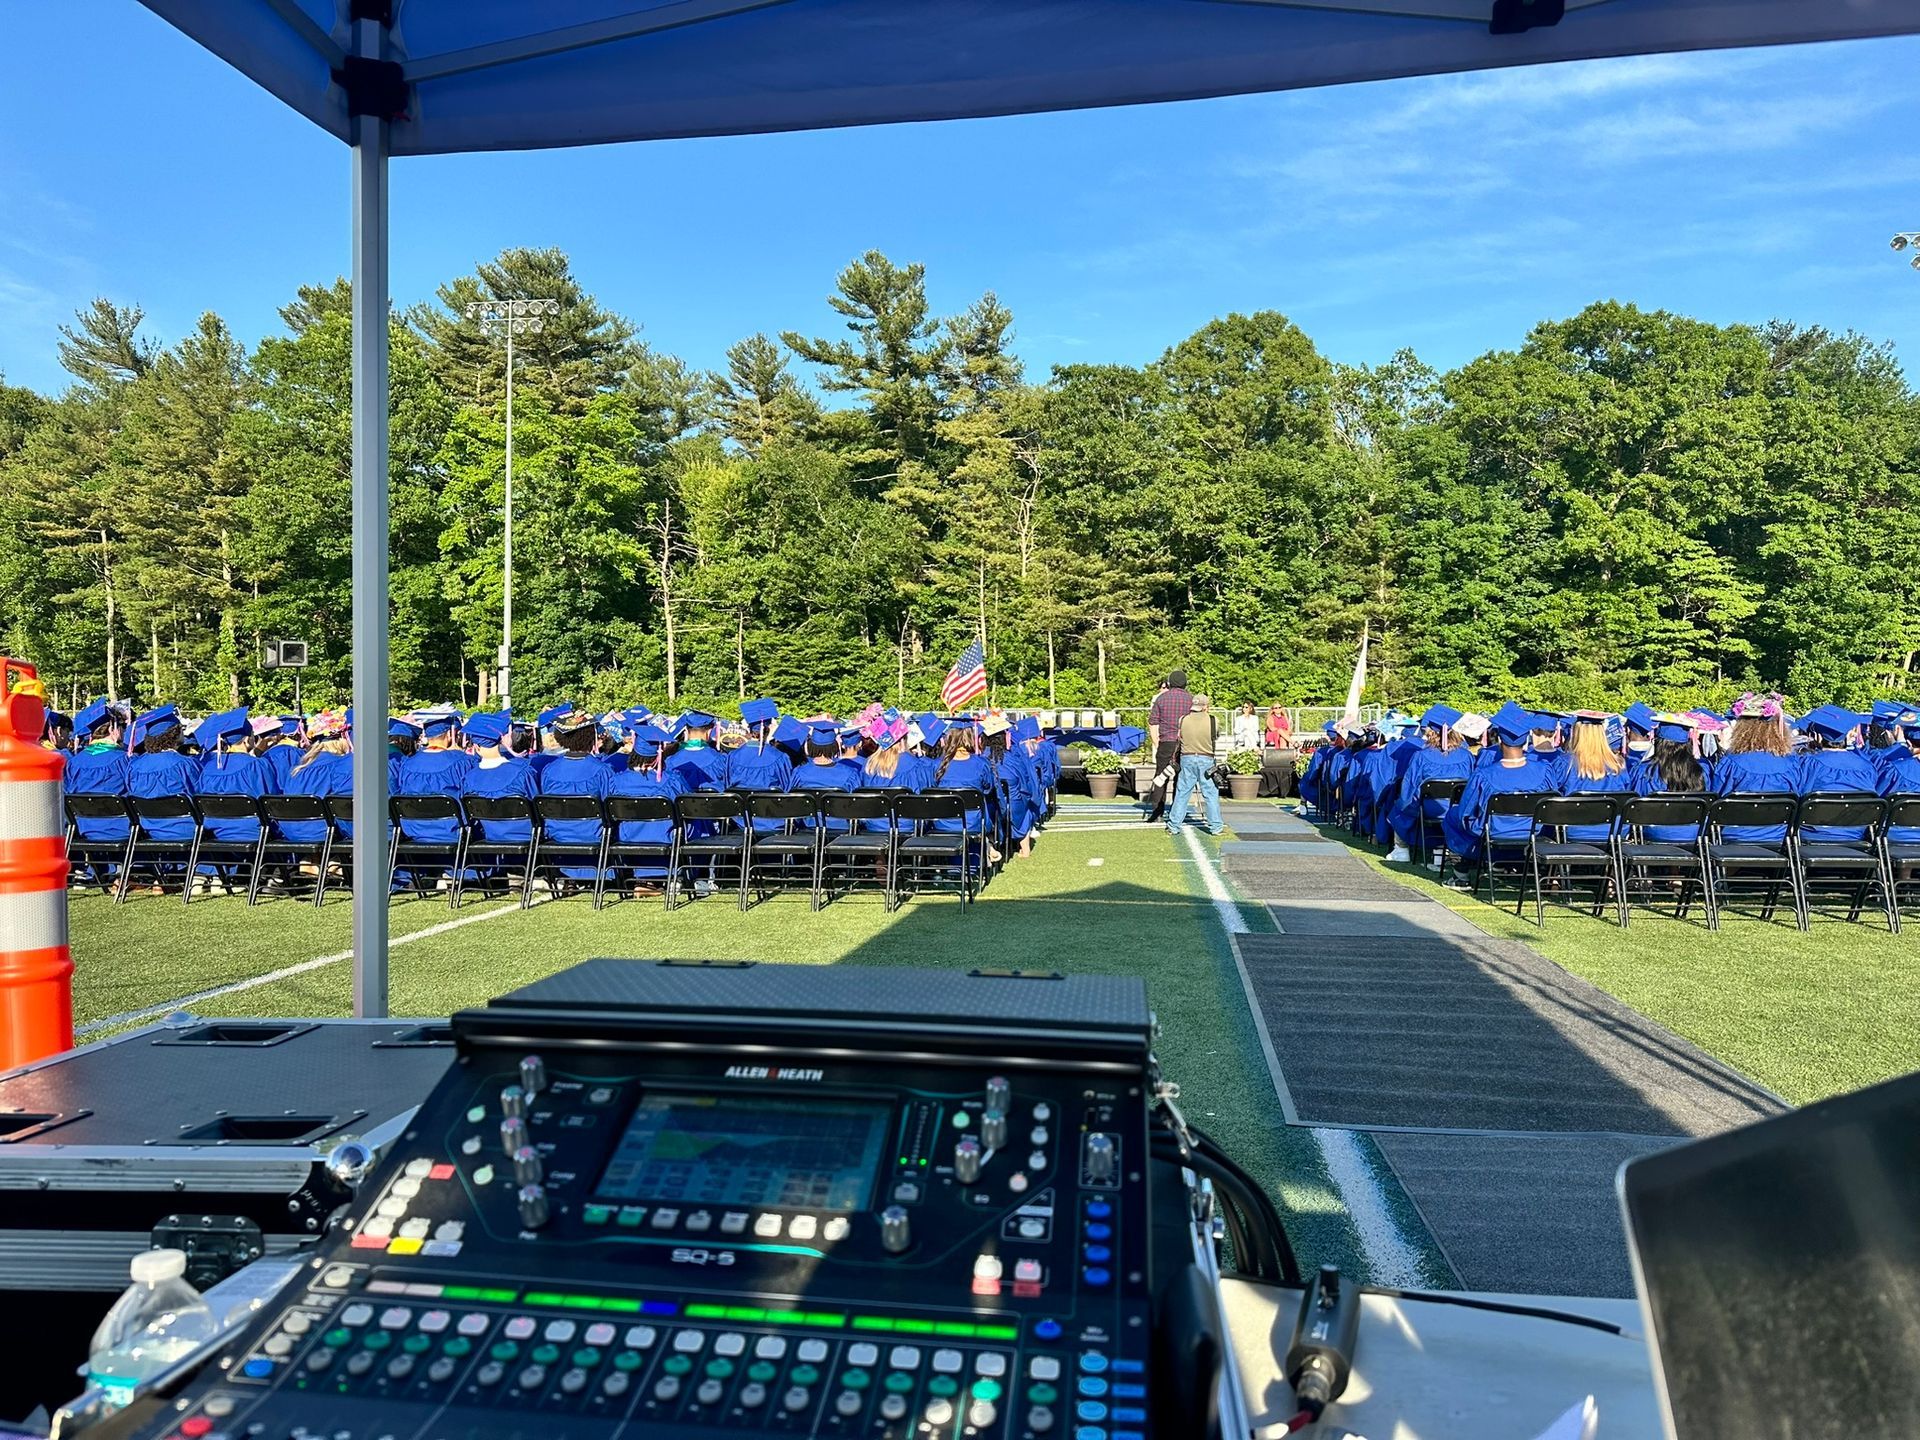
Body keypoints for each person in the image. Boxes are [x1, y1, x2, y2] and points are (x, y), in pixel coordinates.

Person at [1437, 709, 1552, 869]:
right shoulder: (1544, 771)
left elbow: (1465, 813)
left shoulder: (1484, 775)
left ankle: (1462, 870)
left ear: (1499, 739)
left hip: (1494, 834)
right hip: (1533, 833)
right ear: (1526, 739)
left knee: (1453, 815)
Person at [607, 722, 686, 896]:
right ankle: (675, 877)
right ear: (659, 755)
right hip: (665, 838)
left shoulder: (617, 781)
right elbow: (687, 807)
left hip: (627, 838)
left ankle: (644, 880)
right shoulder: (671, 780)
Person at [1710, 693, 1800, 843]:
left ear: (1742, 729)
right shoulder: (1791, 764)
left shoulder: (1731, 763)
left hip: (1736, 834)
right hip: (1779, 834)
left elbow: (1716, 799)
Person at [537, 713, 614, 885]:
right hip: (592, 834)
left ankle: (567, 878)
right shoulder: (602, 770)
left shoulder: (549, 770)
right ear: (590, 736)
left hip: (558, 834)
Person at [1386, 706, 1470, 862]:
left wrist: (1403, 803)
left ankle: (1401, 850)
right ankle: (1440, 853)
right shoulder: (1467, 756)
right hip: (1457, 808)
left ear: (1431, 731)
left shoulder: (1421, 756)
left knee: (1398, 808)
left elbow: (1409, 787)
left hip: (1428, 808)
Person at [194, 707, 277, 851]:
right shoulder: (256, 765)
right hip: (253, 832)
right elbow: (271, 800)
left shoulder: (210, 767)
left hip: (215, 831)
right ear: (246, 740)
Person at [1794, 705, 1880, 842]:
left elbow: (1798, 795)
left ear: (1818, 736)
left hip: (1812, 834)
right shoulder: (1866, 766)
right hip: (1855, 834)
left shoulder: (1809, 763)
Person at [65, 699, 134, 861]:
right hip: (120, 828)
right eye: (122, 727)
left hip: (84, 827)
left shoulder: (74, 762)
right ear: (112, 728)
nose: (124, 732)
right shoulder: (123, 760)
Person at [126, 706, 200, 843]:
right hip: (185, 831)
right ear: (175, 733)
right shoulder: (184, 764)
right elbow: (198, 796)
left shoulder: (134, 766)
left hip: (147, 830)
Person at [1632, 714, 1709, 844]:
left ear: (1658, 742)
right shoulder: (1701, 770)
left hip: (1655, 832)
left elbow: (1634, 807)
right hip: (1694, 832)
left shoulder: (1645, 771)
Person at [1557, 711, 1634, 841]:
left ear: (1577, 733)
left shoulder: (1566, 764)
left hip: (1576, 829)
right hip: (1614, 831)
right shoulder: (1619, 766)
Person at [1167, 693, 1223, 839]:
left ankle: (1174, 825)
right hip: (1206, 759)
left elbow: (1180, 738)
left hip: (1187, 758)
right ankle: (1215, 826)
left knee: (1182, 792)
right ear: (1206, 706)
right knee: (1210, 794)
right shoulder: (1213, 720)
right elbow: (1216, 736)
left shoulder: (1183, 719)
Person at [1143, 670, 1194, 822]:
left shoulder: (1161, 699)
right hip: (1184, 744)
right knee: (1181, 777)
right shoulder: (1191, 700)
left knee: (1161, 776)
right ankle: (1177, 812)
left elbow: (1152, 722)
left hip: (1165, 742)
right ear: (1185, 683)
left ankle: (1157, 811)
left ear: (1170, 683)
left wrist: (1156, 743)